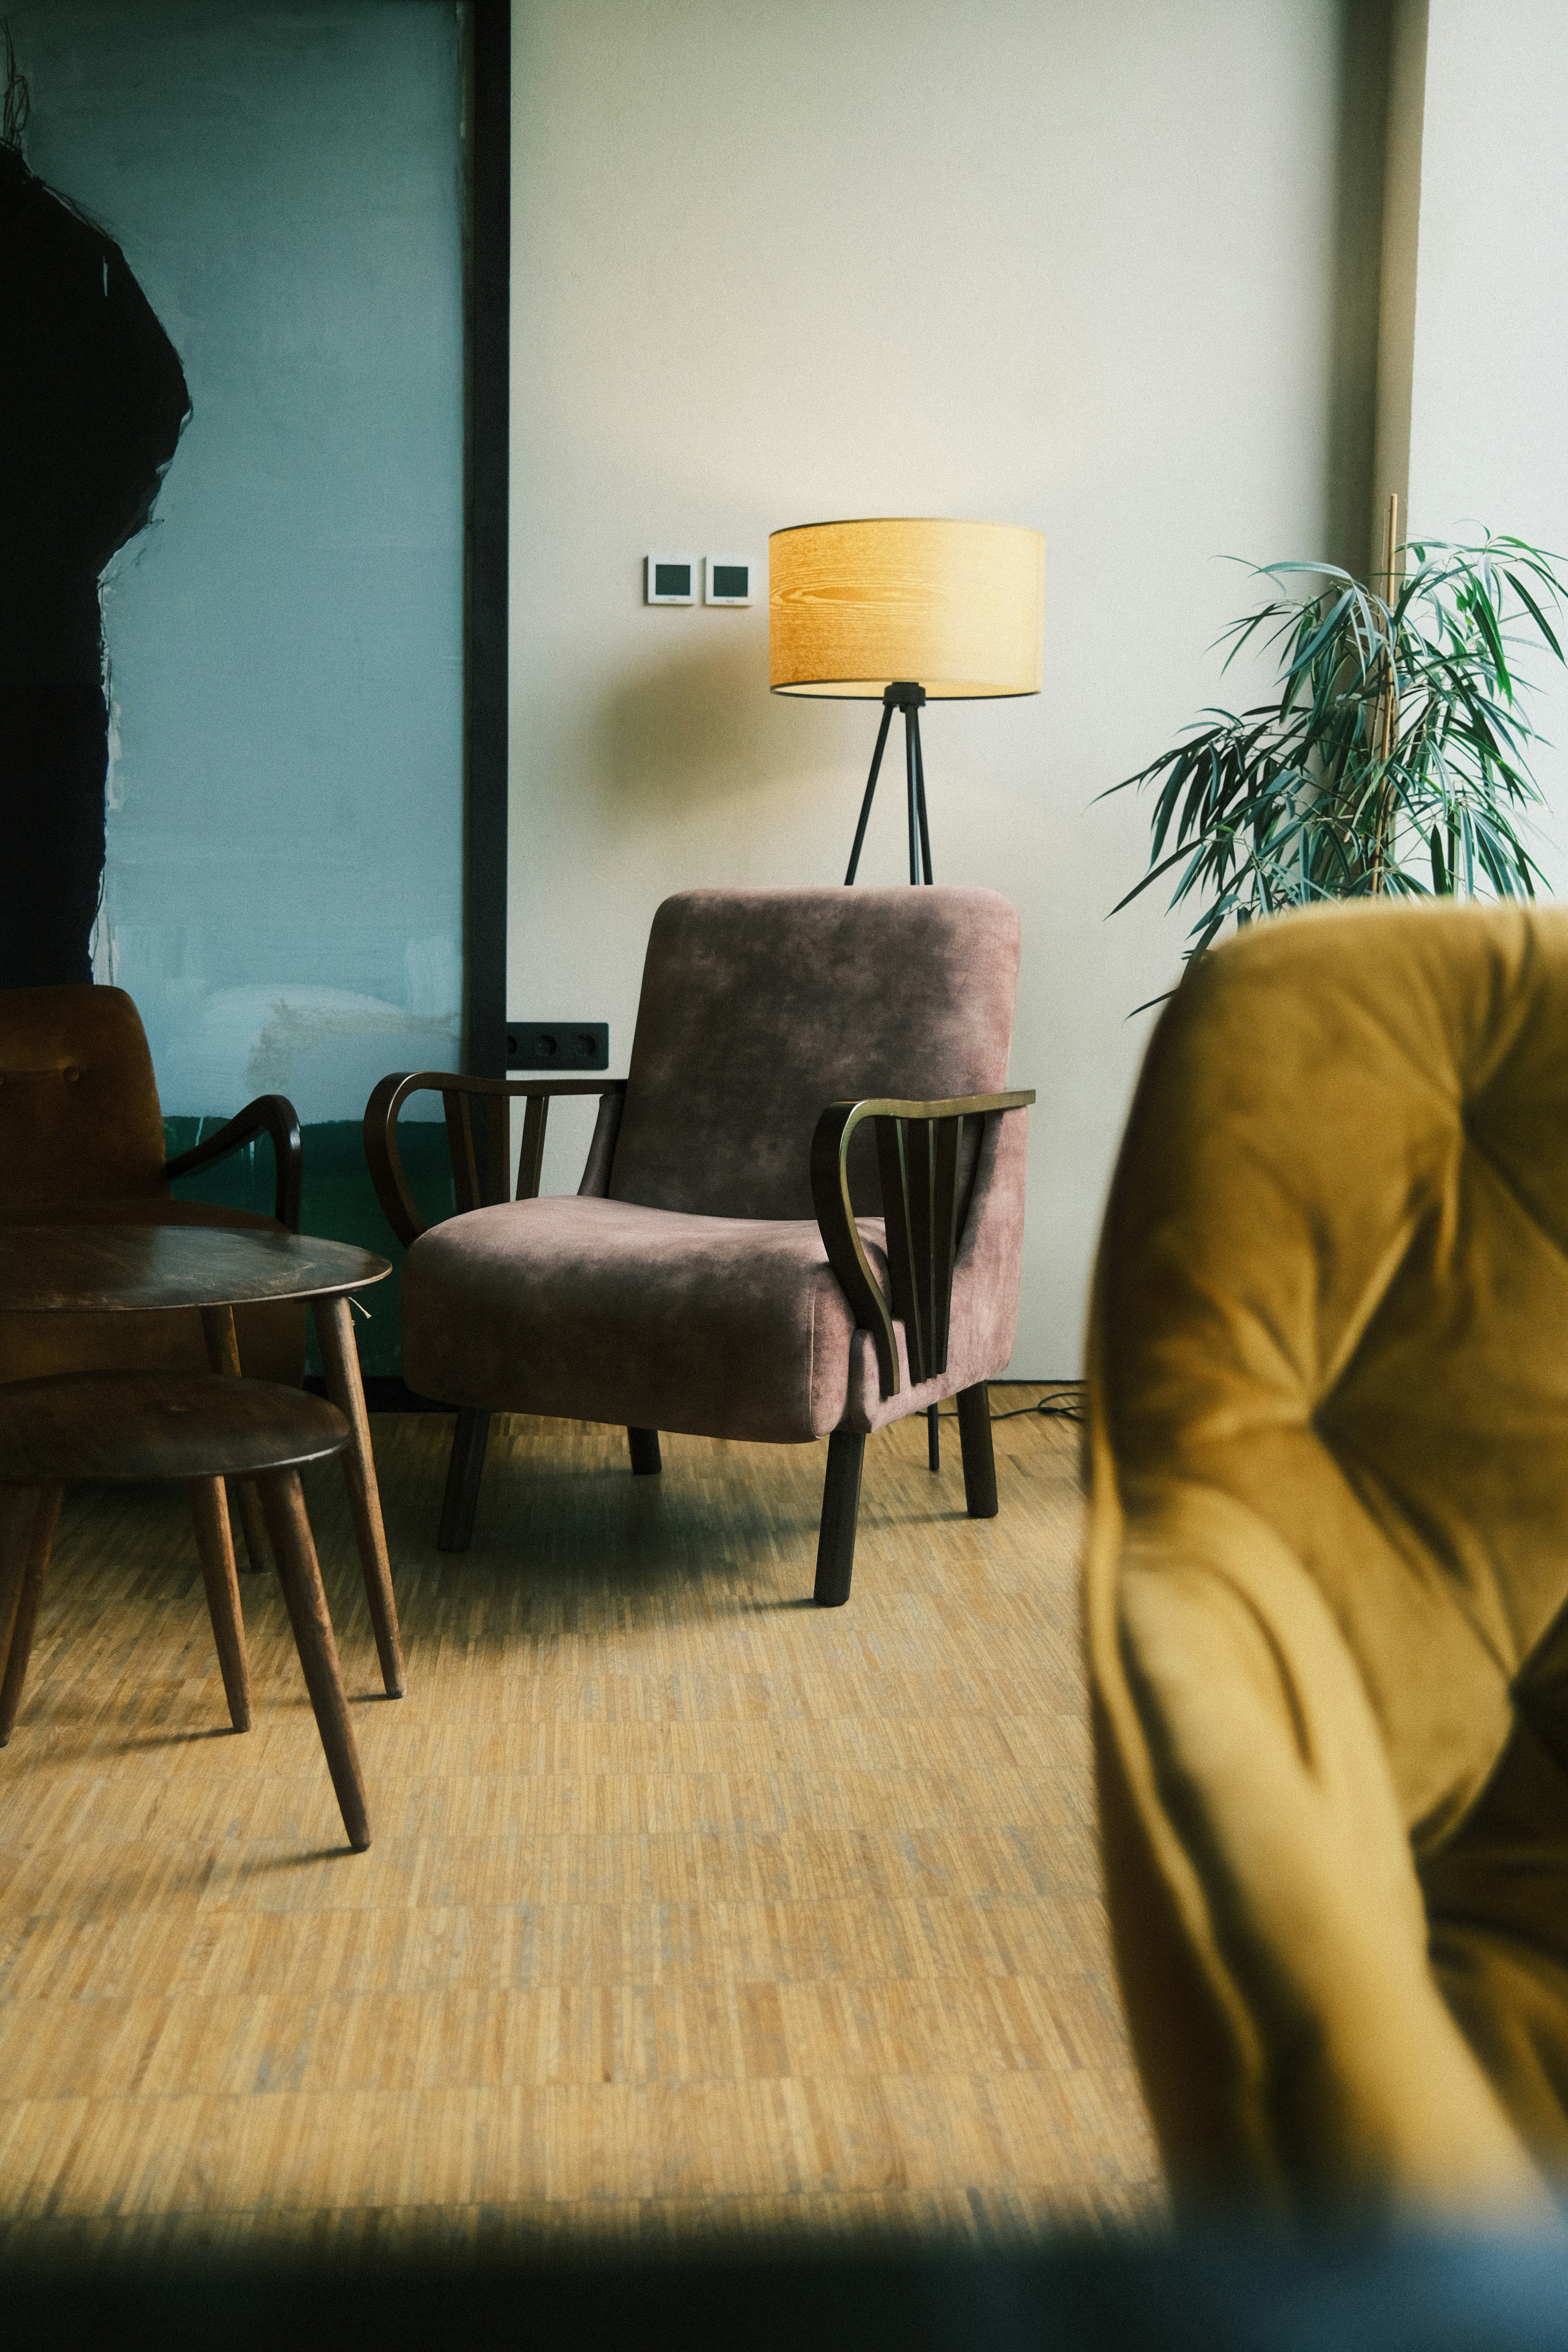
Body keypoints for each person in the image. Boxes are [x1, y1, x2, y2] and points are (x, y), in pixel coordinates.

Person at [0, 33, 189, 986]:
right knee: (42, 939)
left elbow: (159, 405)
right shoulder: (73, 253)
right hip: (43, 660)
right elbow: (160, 404)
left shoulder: (63, 252)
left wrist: (65, 546)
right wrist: (71, 545)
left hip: (39, 659)